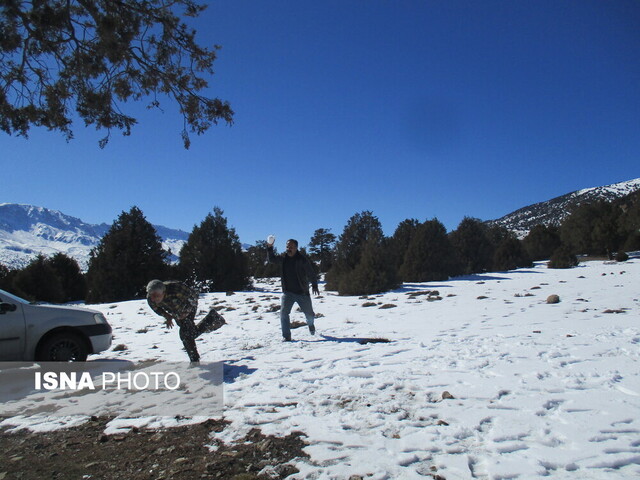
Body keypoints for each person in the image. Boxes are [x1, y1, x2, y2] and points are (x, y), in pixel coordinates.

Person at [146, 280, 226, 363]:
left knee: (185, 334)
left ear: (163, 292)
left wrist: (187, 312)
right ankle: (212, 318)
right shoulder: (150, 299)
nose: (154, 299)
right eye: (152, 296)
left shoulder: (176, 289)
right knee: (189, 333)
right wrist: (168, 317)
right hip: (176, 311)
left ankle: (195, 361)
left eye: (157, 296)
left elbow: (193, 297)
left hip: (189, 305)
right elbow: (157, 309)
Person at [266, 238, 320, 341]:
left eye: (291, 247)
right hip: (288, 293)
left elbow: (311, 272)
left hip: (302, 293)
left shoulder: (302, 260)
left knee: (309, 314)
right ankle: (286, 337)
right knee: (283, 313)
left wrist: (314, 285)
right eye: (287, 247)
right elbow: (272, 259)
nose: (288, 249)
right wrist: (269, 247)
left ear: (296, 248)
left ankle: (311, 325)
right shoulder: (283, 259)